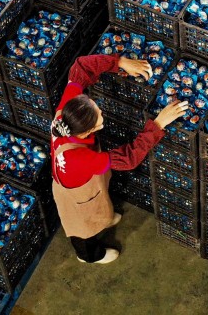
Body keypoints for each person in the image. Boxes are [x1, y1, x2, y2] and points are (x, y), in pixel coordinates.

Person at [51, 53, 188, 264]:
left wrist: (120, 63)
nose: (102, 113)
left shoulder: (69, 109)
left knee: (100, 201)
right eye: (99, 118)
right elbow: (128, 158)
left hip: (83, 178)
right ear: (86, 132)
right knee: (82, 228)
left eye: (96, 108)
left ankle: (103, 218)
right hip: (76, 194)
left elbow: (80, 67)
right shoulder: (82, 158)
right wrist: (158, 124)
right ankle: (89, 255)